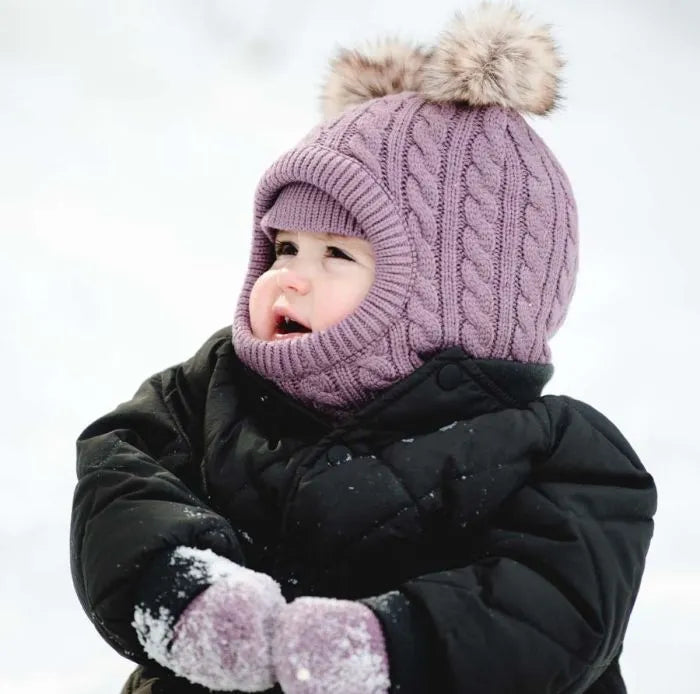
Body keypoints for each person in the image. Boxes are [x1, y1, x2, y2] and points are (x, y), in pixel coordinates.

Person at [70, 4, 657, 693]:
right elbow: (121, 482)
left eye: (337, 254)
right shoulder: (215, 386)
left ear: (448, 291)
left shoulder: (562, 456)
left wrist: (381, 647)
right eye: (284, 246)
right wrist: (184, 594)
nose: (289, 273)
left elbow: (548, 614)